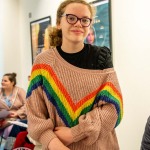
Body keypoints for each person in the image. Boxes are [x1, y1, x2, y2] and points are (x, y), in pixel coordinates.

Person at [26, 0, 123, 150]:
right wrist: (56, 145)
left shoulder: (101, 57)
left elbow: (113, 109)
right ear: (59, 22)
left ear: (90, 24)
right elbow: (35, 116)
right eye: (71, 18)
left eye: (85, 20)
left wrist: (74, 133)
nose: (78, 24)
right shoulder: (42, 62)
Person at [0, 72, 27, 149]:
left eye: (5, 81)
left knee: (14, 127)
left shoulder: (20, 91)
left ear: (12, 82)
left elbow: (28, 104)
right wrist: (3, 113)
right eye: (2, 80)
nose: (2, 82)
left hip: (18, 118)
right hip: (3, 118)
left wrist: (17, 113)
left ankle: (9, 148)